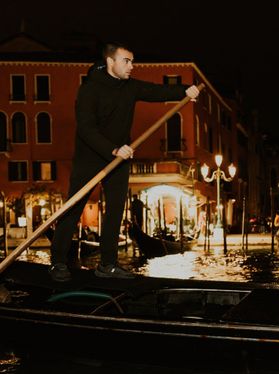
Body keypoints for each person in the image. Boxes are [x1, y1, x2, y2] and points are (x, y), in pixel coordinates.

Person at [49, 42, 200, 282]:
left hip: (120, 158)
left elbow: (155, 91)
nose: (131, 66)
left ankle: (108, 264)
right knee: (74, 208)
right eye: (126, 61)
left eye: (132, 61)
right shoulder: (89, 90)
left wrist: (185, 90)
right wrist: (113, 149)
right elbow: (86, 129)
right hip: (90, 157)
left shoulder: (129, 87)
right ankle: (57, 262)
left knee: (115, 211)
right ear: (111, 62)